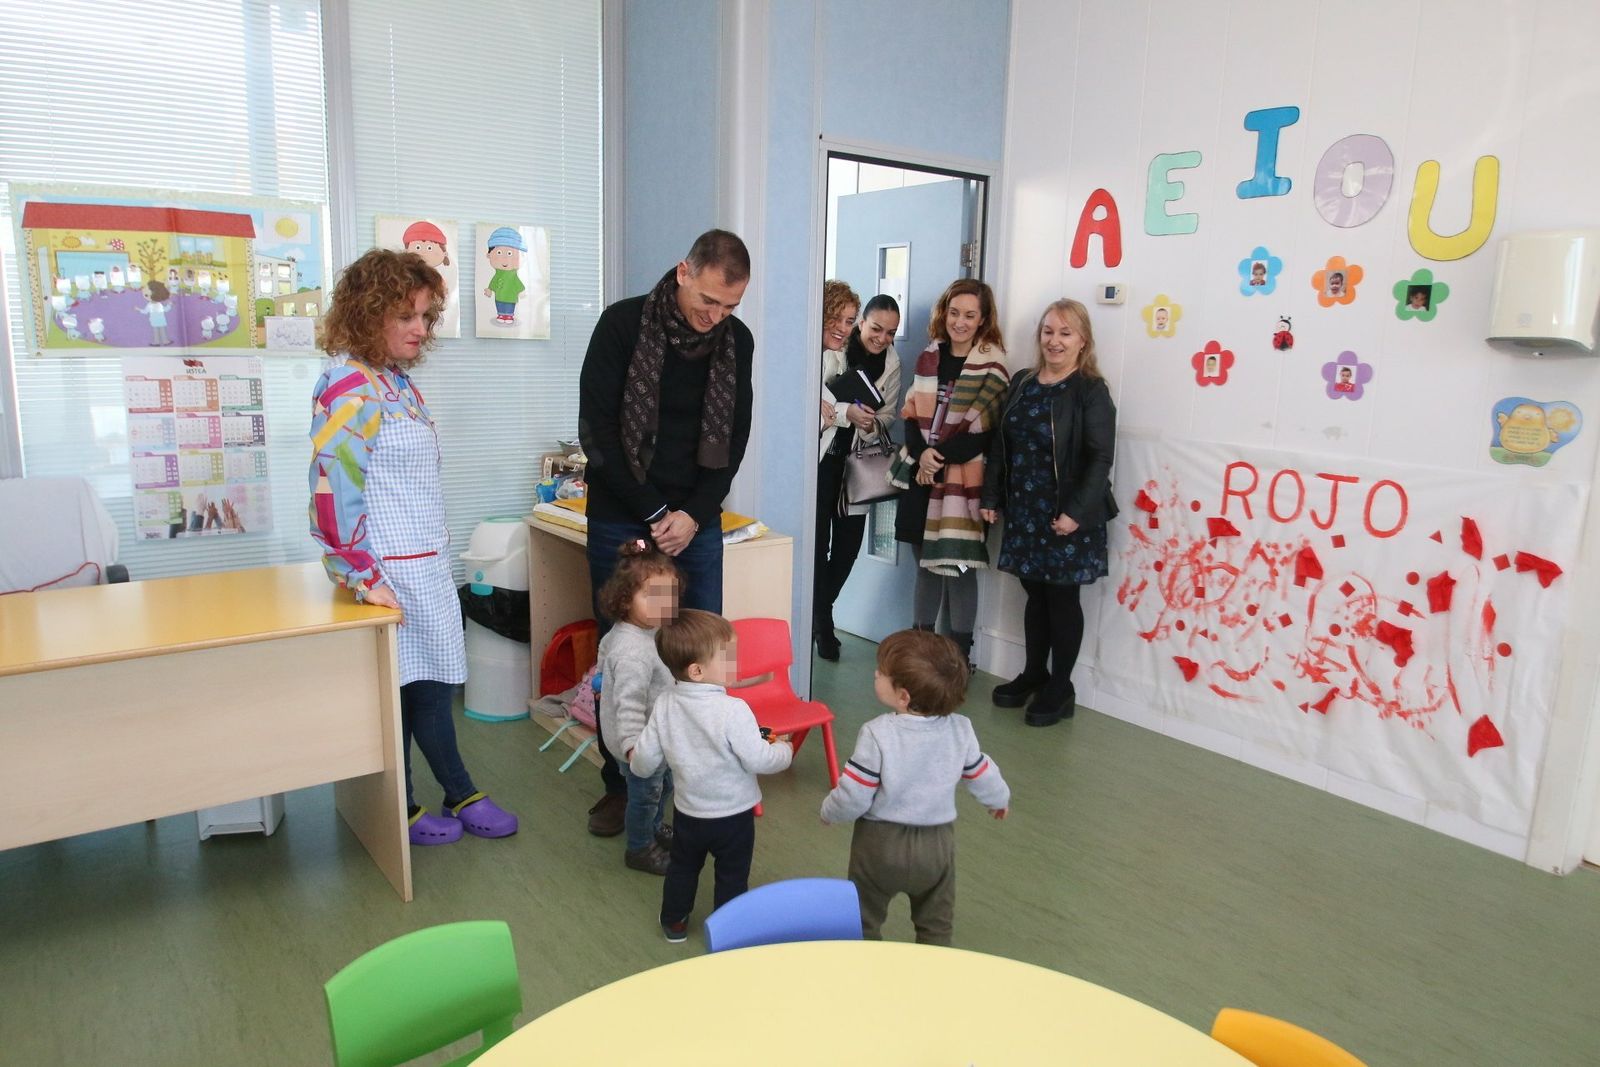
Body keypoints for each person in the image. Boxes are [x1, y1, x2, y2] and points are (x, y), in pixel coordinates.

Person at [309, 248, 517, 846]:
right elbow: (332, 490)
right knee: (403, 693)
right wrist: (358, 574)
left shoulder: (396, 384)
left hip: (421, 566)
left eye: (425, 317)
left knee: (429, 686)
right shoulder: (350, 385)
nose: (419, 330)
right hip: (386, 574)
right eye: (404, 316)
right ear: (368, 313)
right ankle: (410, 805)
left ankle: (454, 793)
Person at [578, 229, 755, 837]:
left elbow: (733, 441)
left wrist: (695, 515)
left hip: (694, 521)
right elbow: (596, 431)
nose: (716, 318)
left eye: (730, 307)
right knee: (625, 658)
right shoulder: (623, 326)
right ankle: (622, 787)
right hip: (623, 511)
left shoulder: (737, 343)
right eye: (708, 300)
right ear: (684, 271)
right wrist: (654, 514)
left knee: (698, 655)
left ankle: (692, 790)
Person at [819, 629, 1009, 945]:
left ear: (903, 696)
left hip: (880, 846)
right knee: (936, 924)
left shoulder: (877, 733)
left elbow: (855, 794)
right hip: (937, 846)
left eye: (881, 672)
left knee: (862, 920)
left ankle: (861, 975)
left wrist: (829, 811)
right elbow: (983, 774)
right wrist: (999, 800)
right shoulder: (961, 730)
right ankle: (933, 981)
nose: (875, 673)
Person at [980, 299, 1117, 727]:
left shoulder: (1090, 390)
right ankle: (1034, 672)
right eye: (1048, 331)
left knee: (1061, 598)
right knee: (1034, 594)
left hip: (1067, 515)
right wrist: (991, 497)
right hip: (1025, 509)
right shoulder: (1022, 382)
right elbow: (1001, 446)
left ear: (1083, 341)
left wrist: (1076, 511)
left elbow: (1100, 458)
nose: (1054, 341)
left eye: (1065, 333)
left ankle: (1061, 686)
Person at [631, 610, 794, 943]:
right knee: (732, 875)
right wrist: (786, 751)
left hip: (689, 813)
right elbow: (759, 757)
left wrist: (634, 763)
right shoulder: (733, 710)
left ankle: (674, 922)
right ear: (697, 670)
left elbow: (645, 761)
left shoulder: (664, 704)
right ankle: (728, 930)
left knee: (683, 867)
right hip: (734, 816)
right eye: (728, 657)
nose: (737, 663)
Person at [890, 280, 1009, 670]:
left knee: (958, 568)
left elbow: (985, 432)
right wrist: (923, 455)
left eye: (970, 315)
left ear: (983, 319)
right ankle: (921, 655)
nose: (960, 321)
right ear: (945, 312)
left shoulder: (993, 367)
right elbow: (910, 413)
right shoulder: (929, 357)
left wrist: (934, 456)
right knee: (924, 565)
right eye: (954, 312)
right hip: (921, 476)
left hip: (961, 482)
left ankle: (958, 658)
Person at [816, 289, 902, 661]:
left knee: (848, 549)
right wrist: (845, 409)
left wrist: (868, 421)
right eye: (875, 328)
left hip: (860, 462)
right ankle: (821, 622)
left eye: (890, 333)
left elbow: (889, 414)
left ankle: (821, 609)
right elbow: (818, 401)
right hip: (824, 460)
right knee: (818, 548)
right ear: (863, 324)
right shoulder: (834, 348)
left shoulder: (892, 364)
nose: (881, 339)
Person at [595, 540, 681, 876]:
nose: (664, 604)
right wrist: (633, 746)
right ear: (625, 599)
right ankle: (640, 847)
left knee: (664, 787)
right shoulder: (634, 652)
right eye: (652, 595)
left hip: (656, 736)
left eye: (669, 595)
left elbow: (603, 652)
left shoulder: (639, 631)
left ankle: (655, 826)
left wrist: (601, 679)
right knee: (645, 795)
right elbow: (629, 706)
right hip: (640, 744)